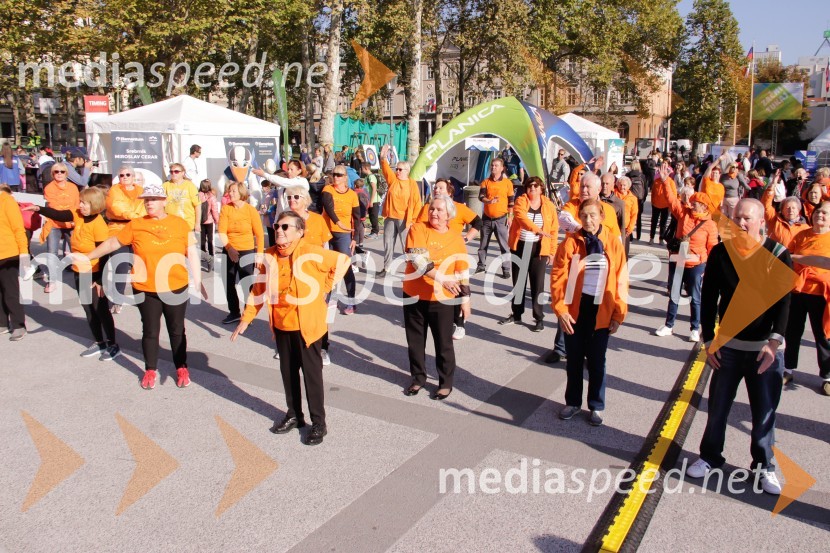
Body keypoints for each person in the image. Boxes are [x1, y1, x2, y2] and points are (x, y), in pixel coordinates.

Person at [686, 198, 791, 496]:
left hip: (764, 350)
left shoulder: (778, 254)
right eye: (736, 218)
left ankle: (764, 466)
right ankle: (709, 457)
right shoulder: (721, 253)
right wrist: (709, 339)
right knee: (717, 408)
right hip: (729, 347)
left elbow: (785, 304)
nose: (740, 223)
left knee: (764, 412)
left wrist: (774, 342)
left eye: (746, 218)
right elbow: (708, 299)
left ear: (761, 222)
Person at [231, 210, 350, 445]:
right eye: (277, 226)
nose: (279, 231)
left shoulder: (309, 252)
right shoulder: (269, 256)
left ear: (299, 232)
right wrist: (246, 319)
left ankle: (319, 423)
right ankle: (294, 415)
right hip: (282, 325)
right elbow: (258, 290)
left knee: (312, 376)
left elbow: (343, 261)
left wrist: (325, 286)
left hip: (307, 327)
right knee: (288, 374)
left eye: (285, 227)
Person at [79, 183, 206, 390]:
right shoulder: (136, 224)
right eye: (146, 200)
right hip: (145, 287)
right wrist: (88, 257)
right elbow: (113, 243)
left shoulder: (180, 224)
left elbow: (191, 252)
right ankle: (150, 369)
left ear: (164, 201)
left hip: (175, 285)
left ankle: (181, 367)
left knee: (176, 330)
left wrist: (198, 280)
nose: (149, 204)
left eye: (153, 200)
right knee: (150, 330)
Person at [551, 199, 627, 426]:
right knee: (573, 359)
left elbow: (622, 280)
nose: (588, 220)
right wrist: (560, 309)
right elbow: (558, 277)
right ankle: (573, 402)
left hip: (602, 308)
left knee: (596, 360)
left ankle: (596, 405)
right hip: (576, 307)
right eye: (583, 216)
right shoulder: (571, 243)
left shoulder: (613, 243)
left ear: (602, 216)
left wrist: (618, 314)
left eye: (593, 215)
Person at [24, 187, 122, 360]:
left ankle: (113, 344)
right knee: (88, 309)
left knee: (101, 310)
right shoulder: (78, 214)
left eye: (84, 203)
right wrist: (40, 209)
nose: (80, 205)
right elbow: (59, 215)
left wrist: (100, 280)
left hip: (94, 273)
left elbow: (104, 254)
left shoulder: (99, 224)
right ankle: (99, 342)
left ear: (94, 204)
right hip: (79, 270)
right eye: (81, 202)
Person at [544, 172, 620, 364]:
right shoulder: (572, 205)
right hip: (575, 266)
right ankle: (561, 348)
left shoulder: (608, 210)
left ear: (597, 190)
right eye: (582, 186)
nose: (584, 190)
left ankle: (590, 352)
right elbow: (564, 220)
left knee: (595, 314)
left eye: (588, 187)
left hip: (600, 269)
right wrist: (587, 226)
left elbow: (616, 238)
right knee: (568, 307)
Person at [403, 195, 471, 400]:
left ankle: (445, 382)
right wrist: (442, 279)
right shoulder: (418, 229)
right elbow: (417, 259)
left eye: (440, 210)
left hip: (443, 298)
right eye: (432, 208)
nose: (434, 213)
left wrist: (466, 299)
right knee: (415, 341)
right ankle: (418, 378)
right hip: (414, 294)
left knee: (443, 343)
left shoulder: (456, 237)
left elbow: (462, 269)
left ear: (449, 214)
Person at [652, 161, 719, 342]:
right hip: (678, 259)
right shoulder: (683, 213)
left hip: (696, 264)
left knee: (695, 297)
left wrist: (706, 267)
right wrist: (666, 181)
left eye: (696, 202)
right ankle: (669, 325)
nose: (691, 203)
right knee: (674, 294)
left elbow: (712, 248)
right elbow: (672, 200)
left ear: (704, 207)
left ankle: (695, 328)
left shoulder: (710, 225)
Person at [416, 178, 482, 339]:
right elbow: (418, 228)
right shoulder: (427, 208)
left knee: (457, 289)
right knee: (437, 288)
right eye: (435, 188)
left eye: (440, 188)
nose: (436, 190)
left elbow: (478, 222)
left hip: (454, 255)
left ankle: (459, 323)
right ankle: (424, 317)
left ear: (450, 192)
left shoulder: (459, 208)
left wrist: (467, 238)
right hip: (433, 254)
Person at [499, 177, 558, 332]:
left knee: (537, 285)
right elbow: (521, 217)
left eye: (535, 185)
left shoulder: (549, 206)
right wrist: (537, 230)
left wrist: (552, 252)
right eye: (529, 186)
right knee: (519, 283)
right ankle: (517, 314)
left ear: (541, 188)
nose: (532, 188)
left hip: (539, 249)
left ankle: (539, 318)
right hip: (521, 247)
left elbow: (553, 230)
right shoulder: (521, 201)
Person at [284, 185, 335, 364]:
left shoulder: (317, 219)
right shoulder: (285, 219)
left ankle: (322, 348)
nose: (292, 201)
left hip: (316, 274)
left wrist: (329, 271)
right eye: (289, 197)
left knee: (319, 312)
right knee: (292, 309)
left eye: (296, 197)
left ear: (305, 199)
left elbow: (326, 247)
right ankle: (294, 347)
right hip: (292, 274)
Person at [784, 201, 830, 393]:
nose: (821, 215)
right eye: (818, 212)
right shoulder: (802, 235)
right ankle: (787, 369)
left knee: (823, 336)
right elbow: (787, 256)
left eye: (826, 213)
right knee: (792, 332)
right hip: (798, 290)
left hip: (821, 294)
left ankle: (827, 377)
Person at [218, 181, 265, 325]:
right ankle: (234, 312)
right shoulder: (226, 209)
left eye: (233, 191)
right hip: (229, 249)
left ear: (241, 193)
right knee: (229, 282)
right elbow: (222, 231)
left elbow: (259, 234)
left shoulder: (250, 210)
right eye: (229, 191)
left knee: (247, 282)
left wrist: (259, 254)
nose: (230, 193)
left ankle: (247, 313)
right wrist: (230, 249)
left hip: (247, 250)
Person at [106, 165, 146, 314]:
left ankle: (144, 298)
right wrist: (135, 215)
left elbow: (144, 209)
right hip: (118, 230)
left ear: (133, 177)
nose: (125, 178)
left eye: (128, 175)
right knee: (121, 266)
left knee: (140, 265)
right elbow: (117, 209)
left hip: (137, 231)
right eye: (122, 175)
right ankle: (117, 299)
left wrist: (135, 215)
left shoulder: (141, 191)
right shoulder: (114, 190)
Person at [378, 144, 422, 278]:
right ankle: (387, 269)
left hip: (405, 219)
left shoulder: (412, 184)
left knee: (406, 245)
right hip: (390, 216)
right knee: (388, 243)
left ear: (407, 171)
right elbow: (385, 169)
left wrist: (414, 220)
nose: (397, 171)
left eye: (400, 169)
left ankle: (411, 268)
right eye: (396, 169)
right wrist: (382, 157)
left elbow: (417, 203)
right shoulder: (393, 180)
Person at [321, 165, 359, 314]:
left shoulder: (352, 195)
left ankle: (351, 302)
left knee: (345, 267)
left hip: (343, 235)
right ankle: (329, 299)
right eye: (334, 174)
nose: (335, 177)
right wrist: (337, 222)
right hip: (327, 232)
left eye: (339, 175)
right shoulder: (328, 190)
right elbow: (328, 206)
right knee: (326, 268)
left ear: (345, 177)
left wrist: (355, 238)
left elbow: (356, 218)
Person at [42, 163, 79, 293]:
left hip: (71, 223)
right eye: (56, 171)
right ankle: (52, 281)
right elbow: (54, 207)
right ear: (52, 174)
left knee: (77, 250)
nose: (59, 174)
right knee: (52, 252)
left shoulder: (73, 187)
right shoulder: (49, 188)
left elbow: (76, 205)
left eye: (62, 171)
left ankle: (81, 279)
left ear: (66, 173)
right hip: (54, 223)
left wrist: (74, 220)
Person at [475, 157, 514, 278]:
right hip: (487, 218)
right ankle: (481, 265)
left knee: (504, 246)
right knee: (483, 245)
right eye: (492, 165)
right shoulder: (485, 182)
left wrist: (510, 216)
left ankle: (506, 269)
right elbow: (481, 196)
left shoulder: (507, 183)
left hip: (501, 218)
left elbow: (511, 200)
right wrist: (489, 201)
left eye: (496, 165)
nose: (493, 167)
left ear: (502, 168)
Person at [0, 184, 29, 341]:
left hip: (8, 253)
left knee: (10, 290)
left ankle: (18, 325)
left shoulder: (7, 201)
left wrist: (23, 251)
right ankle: (2, 323)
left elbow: (18, 228)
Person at [761, 174, 809, 250]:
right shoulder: (774, 220)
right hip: (775, 256)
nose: (791, 210)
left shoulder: (805, 227)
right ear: (782, 210)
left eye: (794, 208)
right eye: (787, 208)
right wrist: (772, 185)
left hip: (794, 259)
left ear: (798, 210)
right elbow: (766, 205)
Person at [163, 163, 201, 233]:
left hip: (187, 225)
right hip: (170, 225)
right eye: (171, 171)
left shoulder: (190, 186)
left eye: (176, 171)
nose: (173, 173)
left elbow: (197, 205)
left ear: (183, 173)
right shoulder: (165, 186)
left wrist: (197, 223)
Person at [198, 179, 219, 270]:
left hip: (200, 221)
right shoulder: (212, 197)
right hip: (209, 221)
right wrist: (217, 221)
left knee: (202, 240)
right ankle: (211, 255)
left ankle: (203, 256)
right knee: (210, 239)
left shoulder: (197, 196)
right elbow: (214, 211)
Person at [615, 176, 639, 257]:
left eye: (624, 185)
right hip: (615, 226)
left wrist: (630, 228)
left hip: (625, 228)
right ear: (617, 185)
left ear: (628, 186)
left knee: (624, 251)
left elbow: (634, 214)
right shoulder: (614, 195)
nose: (622, 187)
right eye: (620, 185)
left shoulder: (633, 198)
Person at [627, 160, 647, 240]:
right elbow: (645, 189)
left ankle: (630, 235)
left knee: (629, 217)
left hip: (630, 199)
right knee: (638, 218)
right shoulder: (642, 176)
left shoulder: (628, 175)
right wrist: (643, 199)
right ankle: (638, 236)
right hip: (639, 200)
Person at [361, 163, 381, 237]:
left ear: (366, 168)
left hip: (374, 200)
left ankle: (375, 232)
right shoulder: (368, 177)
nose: (361, 170)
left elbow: (374, 188)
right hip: (370, 200)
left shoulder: (371, 177)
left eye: (362, 168)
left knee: (374, 216)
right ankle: (373, 231)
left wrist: (371, 201)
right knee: (371, 216)